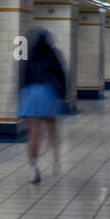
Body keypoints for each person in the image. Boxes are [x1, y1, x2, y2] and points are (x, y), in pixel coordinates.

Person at [19, 29, 66, 183]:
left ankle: (33, 168)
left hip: (31, 94)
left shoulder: (28, 55)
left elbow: (22, 76)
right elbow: (61, 74)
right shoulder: (52, 54)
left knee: (34, 132)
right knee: (52, 128)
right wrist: (63, 94)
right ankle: (55, 160)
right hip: (47, 93)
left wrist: (20, 95)